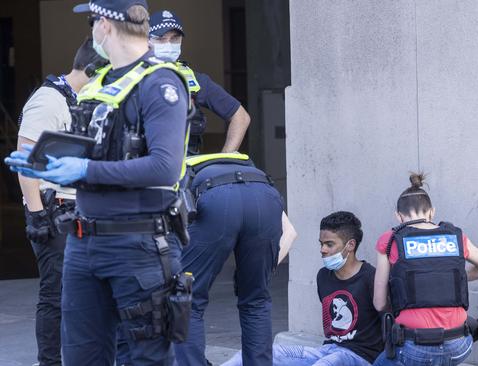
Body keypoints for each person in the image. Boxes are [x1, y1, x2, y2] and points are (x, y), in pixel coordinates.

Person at [5, 0, 192, 364]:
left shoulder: (160, 82)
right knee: (82, 357)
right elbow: (97, 151)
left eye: (92, 21)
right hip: (82, 242)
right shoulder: (98, 85)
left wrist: (83, 171)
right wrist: (48, 163)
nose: (91, 29)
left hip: (137, 244)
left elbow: (165, 168)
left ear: (105, 25)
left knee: (146, 357)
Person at [15, 37, 104, 366]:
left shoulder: (83, 102)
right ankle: (49, 362)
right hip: (53, 213)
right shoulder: (48, 101)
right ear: (93, 69)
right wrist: (37, 216)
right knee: (55, 296)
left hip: (80, 209)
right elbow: (26, 162)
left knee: (86, 295)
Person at [169, 152, 295, 366]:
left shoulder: (171, 170)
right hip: (265, 197)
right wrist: (259, 272)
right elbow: (290, 233)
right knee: (256, 300)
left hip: (214, 199)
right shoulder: (247, 169)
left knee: (187, 301)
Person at [223, 211, 383, 366]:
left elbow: (387, 322)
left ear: (350, 245)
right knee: (264, 352)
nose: (323, 250)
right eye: (321, 244)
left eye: (329, 244)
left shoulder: (371, 278)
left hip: (360, 357)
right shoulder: (323, 276)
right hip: (328, 350)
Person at [372, 173, 478, 366]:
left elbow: (379, 304)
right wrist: (455, 278)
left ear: (398, 216)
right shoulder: (454, 236)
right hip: (459, 345)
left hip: (414, 348)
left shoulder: (389, 240)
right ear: (432, 212)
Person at [148, 9, 250, 155]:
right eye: (161, 38)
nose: (168, 45)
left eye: (175, 38)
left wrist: (224, 159)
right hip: (145, 170)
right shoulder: (134, 76)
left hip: (187, 171)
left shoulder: (194, 80)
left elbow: (241, 117)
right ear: (147, 40)